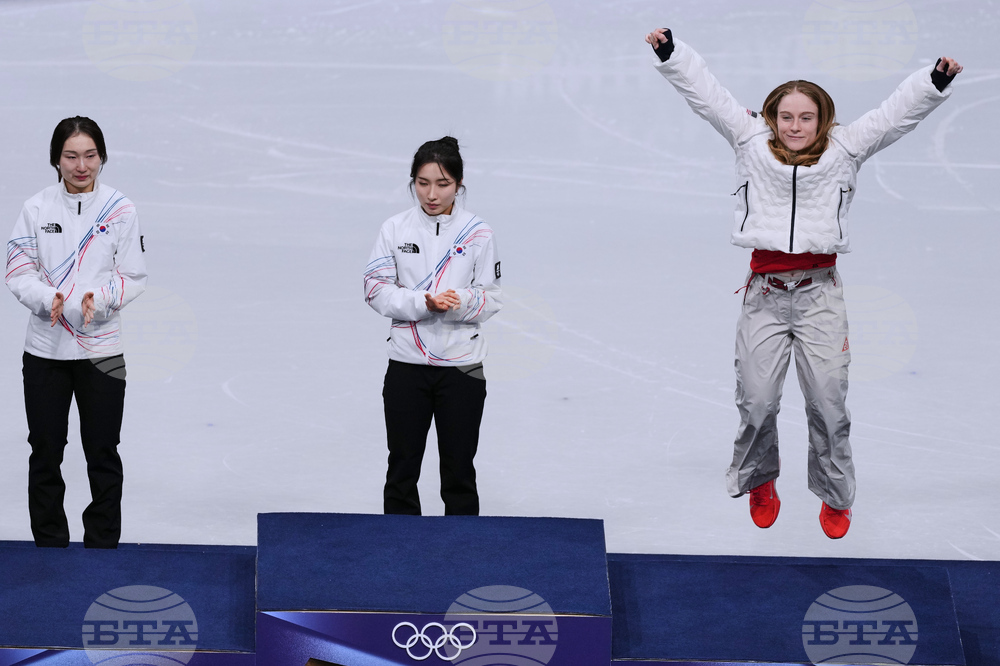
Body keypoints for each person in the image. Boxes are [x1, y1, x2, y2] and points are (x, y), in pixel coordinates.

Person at [645, 28, 962, 538]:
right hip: (764, 299)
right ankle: (759, 479)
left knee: (829, 405)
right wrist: (670, 52)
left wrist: (933, 81)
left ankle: (836, 496)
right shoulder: (749, 139)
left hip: (819, 297)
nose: (796, 126)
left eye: (806, 118)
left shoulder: (846, 148)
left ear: (824, 120)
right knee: (757, 402)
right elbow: (707, 94)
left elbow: (894, 116)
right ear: (771, 118)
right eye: (786, 117)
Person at [6, 116, 147, 548]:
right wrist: (46, 299)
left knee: (103, 450)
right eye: (71, 156)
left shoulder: (120, 209)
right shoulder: (36, 208)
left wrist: (100, 299)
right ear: (56, 159)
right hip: (45, 349)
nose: (81, 165)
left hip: (102, 350)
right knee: (46, 450)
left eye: (89, 155)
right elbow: (17, 271)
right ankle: (49, 544)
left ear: (102, 157)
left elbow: (133, 276)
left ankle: (102, 544)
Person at [363, 137, 502, 516]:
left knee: (459, 469)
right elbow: (375, 289)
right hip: (407, 366)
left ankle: (461, 553)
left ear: (458, 184)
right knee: (402, 467)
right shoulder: (394, 229)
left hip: (462, 368)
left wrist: (459, 302)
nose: (432, 193)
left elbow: (491, 297)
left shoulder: (478, 232)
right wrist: (422, 303)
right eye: (423, 183)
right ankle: (400, 552)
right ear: (412, 182)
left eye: (442, 183)